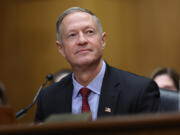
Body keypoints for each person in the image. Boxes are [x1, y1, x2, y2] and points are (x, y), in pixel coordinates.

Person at [35, 7, 160, 122]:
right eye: (72, 35)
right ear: (61, 48)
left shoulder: (139, 91)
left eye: (89, 32)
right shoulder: (48, 98)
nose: (82, 40)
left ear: (103, 40)